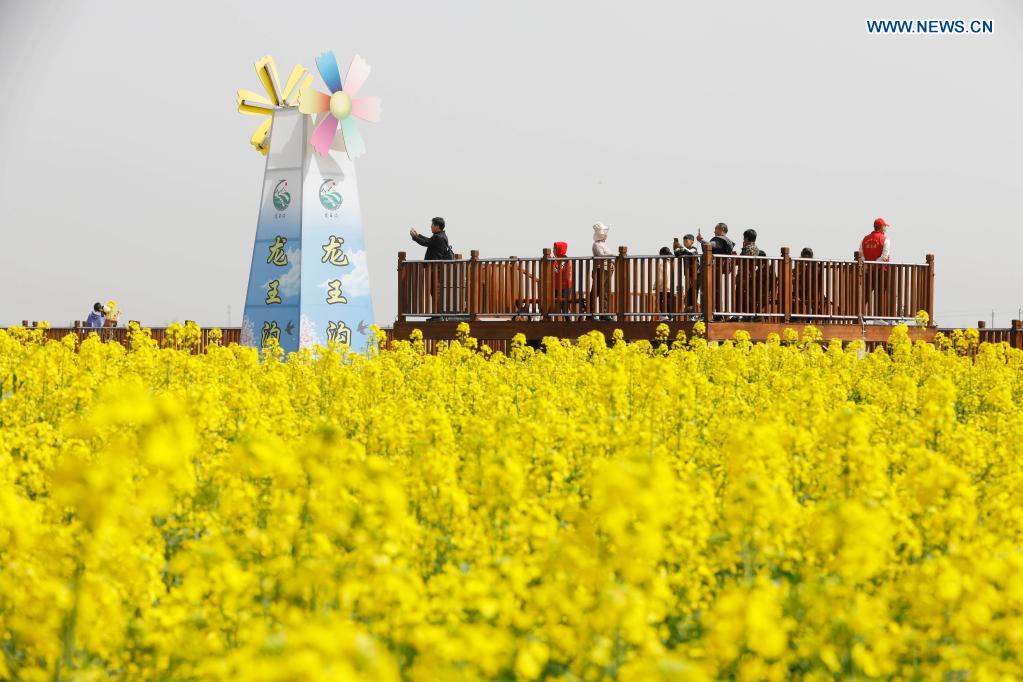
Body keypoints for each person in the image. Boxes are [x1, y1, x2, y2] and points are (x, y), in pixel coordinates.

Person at [860, 217, 892, 317]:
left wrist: (868, 265)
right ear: (881, 227)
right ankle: (879, 316)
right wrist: (874, 263)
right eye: (885, 227)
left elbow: (861, 255)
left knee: (865, 294)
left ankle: (860, 315)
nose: (885, 229)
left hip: (868, 271)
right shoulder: (885, 240)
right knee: (881, 295)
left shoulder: (865, 239)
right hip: (882, 271)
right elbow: (884, 256)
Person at [590, 223, 614, 320]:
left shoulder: (603, 244)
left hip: (607, 269)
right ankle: (592, 312)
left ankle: (604, 312)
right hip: (600, 270)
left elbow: (607, 256)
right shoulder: (596, 244)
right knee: (597, 291)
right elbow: (601, 255)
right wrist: (612, 256)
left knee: (605, 292)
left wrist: (612, 261)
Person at [673, 234, 699, 311]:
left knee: (694, 290)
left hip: (696, 273)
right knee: (689, 289)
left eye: (686, 241)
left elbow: (690, 253)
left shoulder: (694, 249)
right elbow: (677, 254)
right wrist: (676, 247)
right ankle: (689, 306)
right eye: (684, 241)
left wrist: (681, 247)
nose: (685, 242)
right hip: (688, 274)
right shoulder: (684, 250)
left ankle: (692, 306)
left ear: (692, 242)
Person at [551, 241, 573, 317]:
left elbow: (558, 270)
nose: (553, 250)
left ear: (560, 249)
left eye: (555, 248)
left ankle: (567, 321)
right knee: (556, 305)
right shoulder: (556, 259)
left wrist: (551, 264)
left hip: (565, 286)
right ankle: (558, 322)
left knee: (565, 305)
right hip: (557, 286)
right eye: (553, 248)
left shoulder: (564, 259)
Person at [655, 246, 675, 318]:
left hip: (662, 286)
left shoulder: (661, 264)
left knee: (659, 301)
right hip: (669, 286)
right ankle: (670, 316)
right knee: (668, 301)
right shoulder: (670, 263)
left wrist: (656, 285)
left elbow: (660, 276)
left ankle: (664, 315)